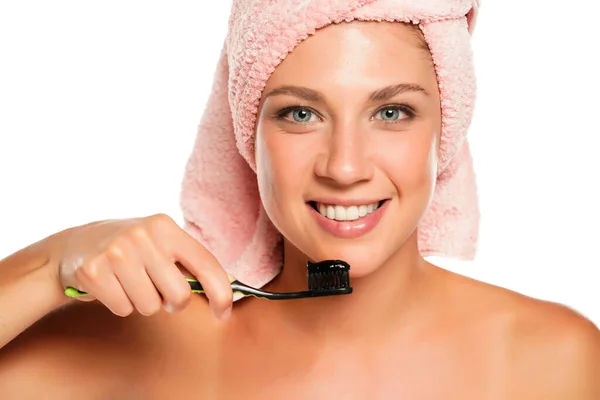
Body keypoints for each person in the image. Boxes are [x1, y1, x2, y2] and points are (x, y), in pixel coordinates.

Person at [0, 1, 598, 398]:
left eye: (392, 112)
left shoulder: (554, 362)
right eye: (300, 113)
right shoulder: (137, 346)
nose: (345, 166)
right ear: (246, 138)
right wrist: (49, 265)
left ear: (446, 133)